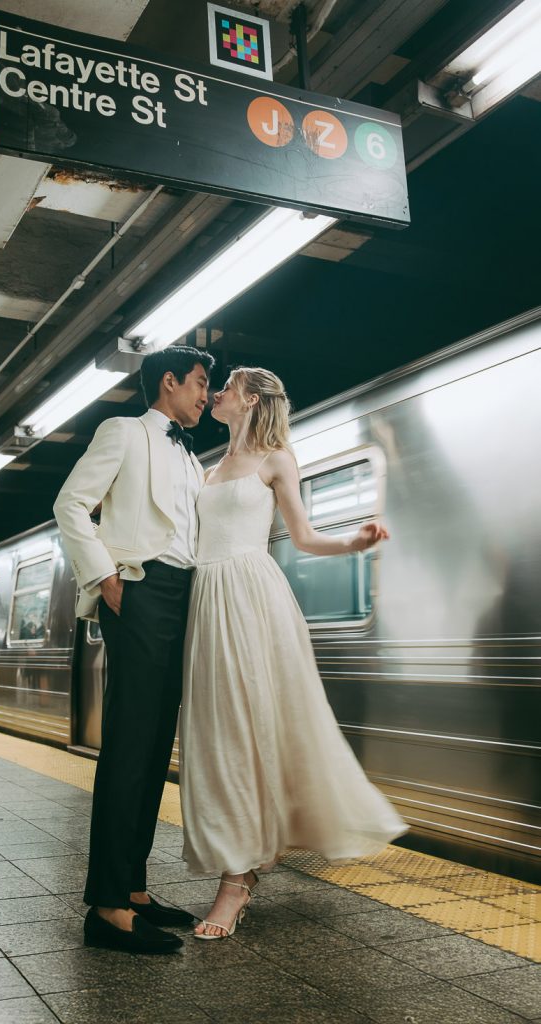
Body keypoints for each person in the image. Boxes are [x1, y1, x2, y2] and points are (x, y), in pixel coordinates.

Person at [180, 366, 407, 939]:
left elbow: (303, 536)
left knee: (249, 727)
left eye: (227, 387)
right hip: (207, 602)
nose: (217, 394)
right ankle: (249, 851)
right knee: (218, 734)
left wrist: (353, 542)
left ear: (250, 399)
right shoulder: (206, 471)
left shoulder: (275, 458)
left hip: (252, 601)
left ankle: (236, 882)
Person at [53, 345, 214, 954]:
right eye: (201, 383)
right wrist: (105, 578)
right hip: (141, 592)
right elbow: (70, 504)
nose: (205, 394)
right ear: (168, 383)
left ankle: (136, 888)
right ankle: (107, 909)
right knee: (127, 748)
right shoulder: (124, 431)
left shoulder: (191, 459)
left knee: (152, 752)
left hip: (183, 596)